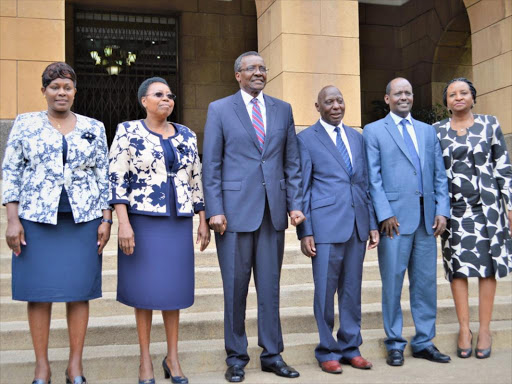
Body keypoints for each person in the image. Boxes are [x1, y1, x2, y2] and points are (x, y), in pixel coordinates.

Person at [2, 62, 111, 384]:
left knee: (79, 292)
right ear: (44, 91)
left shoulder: (94, 126)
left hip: (83, 220)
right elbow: (11, 172)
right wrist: (12, 219)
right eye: (54, 87)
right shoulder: (25, 124)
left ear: (75, 91)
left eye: (67, 87)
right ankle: (42, 366)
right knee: (39, 292)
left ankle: (74, 366)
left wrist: (106, 219)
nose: (61, 93)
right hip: (36, 219)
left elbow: (103, 174)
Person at [202, 51, 305, 383]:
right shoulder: (220, 109)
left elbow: (292, 162)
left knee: (270, 288)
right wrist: (214, 209)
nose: (259, 72)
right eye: (252, 68)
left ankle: (272, 354)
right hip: (232, 215)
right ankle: (236, 357)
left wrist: (294, 203)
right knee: (235, 288)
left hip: (272, 212)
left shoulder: (282, 109)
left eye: (263, 68)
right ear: (238, 75)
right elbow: (212, 165)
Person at [108, 77, 209, 384]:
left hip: (177, 221)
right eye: (158, 94)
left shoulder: (187, 135)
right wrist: (123, 222)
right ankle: (144, 360)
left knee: (173, 291)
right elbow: (116, 178)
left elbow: (195, 178)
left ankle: (172, 357)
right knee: (144, 292)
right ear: (144, 101)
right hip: (142, 221)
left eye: (169, 95)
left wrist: (202, 218)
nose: (166, 98)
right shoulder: (127, 131)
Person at [363, 77, 451, 366]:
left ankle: (424, 341)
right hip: (394, 222)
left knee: (425, 285)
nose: (404, 97)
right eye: (398, 93)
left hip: (427, 221)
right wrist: (384, 213)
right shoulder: (373, 131)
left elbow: (439, 175)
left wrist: (442, 210)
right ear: (387, 98)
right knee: (392, 284)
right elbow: (372, 178)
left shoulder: (428, 132)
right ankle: (395, 343)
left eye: (408, 93)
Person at [297, 86, 379, 374]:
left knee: (351, 291)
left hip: (356, 224)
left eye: (339, 100)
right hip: (324, 226)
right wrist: (305, 230)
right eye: (328, 102)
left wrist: (371, 224)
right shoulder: (305, 139)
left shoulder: (357, 138)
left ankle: (350, 347)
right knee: (325, 292)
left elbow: (364, 184)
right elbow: (302, 187)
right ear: (317, 106)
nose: (335, 106)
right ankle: (326, 349)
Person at [433, 77, 512, 359]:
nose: (458, 97)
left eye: (463, 93)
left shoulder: (490, 124)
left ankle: (486, 328)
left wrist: (510, 207)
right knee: (458, 269)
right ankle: (464, 329)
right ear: (446, 102)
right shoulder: (436, 131)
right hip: (454, 212)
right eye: (452, 94)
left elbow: (503, 167)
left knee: (487, 266)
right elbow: (434, 173)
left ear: (473, 97)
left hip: (487, 210)